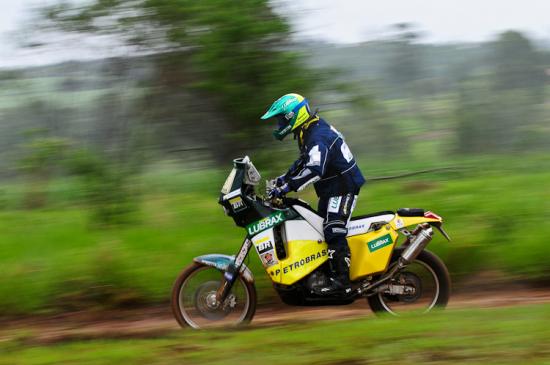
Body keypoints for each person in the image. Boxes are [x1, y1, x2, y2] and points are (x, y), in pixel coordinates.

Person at [261, 93, 366, 296]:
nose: (279, 124)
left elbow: (314, 169)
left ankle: (343, 283)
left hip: (344, 187)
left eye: (282, 119)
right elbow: (303, 161)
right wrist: (282, 179)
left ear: (294, 116)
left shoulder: (317, 136)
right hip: (331, 189)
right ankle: (321, 276)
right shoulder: (309, 130)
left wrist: (286, 187)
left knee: (332, 229)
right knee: (315, 229)